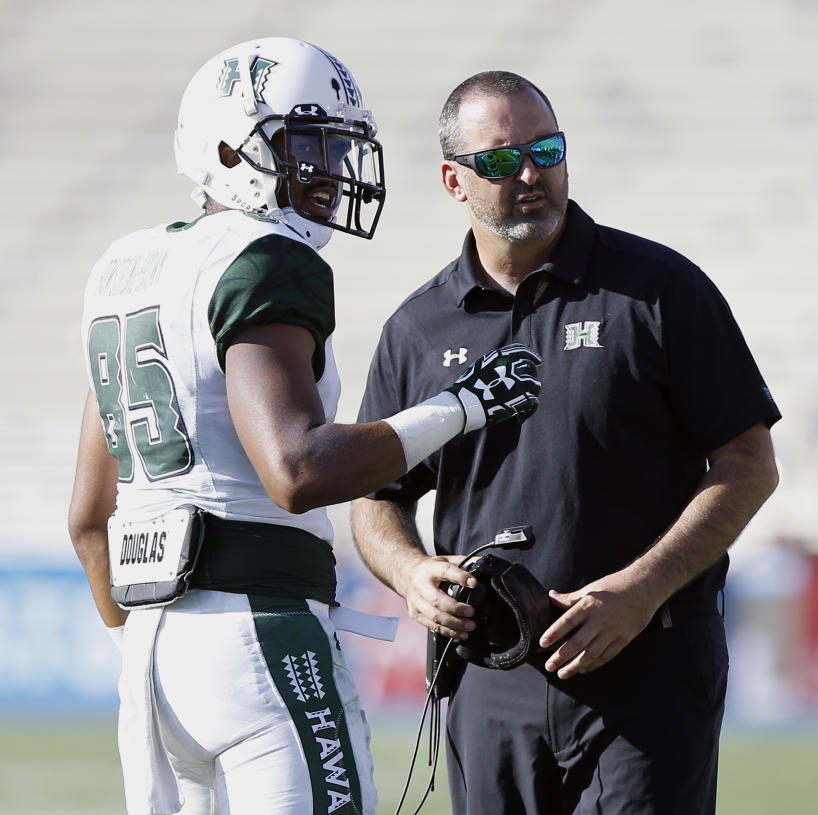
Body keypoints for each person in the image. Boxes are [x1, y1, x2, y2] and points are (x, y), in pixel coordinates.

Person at [67, 40, 542, 815]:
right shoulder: (262, 260)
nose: (328, 171)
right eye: (306, 146)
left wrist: (149, 648)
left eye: (337, 148)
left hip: (150, 658)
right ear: (230, 150)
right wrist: (464, 405)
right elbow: (298, 469)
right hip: (257, 630)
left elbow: (89, 521)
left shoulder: (124, 266)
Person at [351, 70, 782, 815]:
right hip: (487, 674)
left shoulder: (658, 290)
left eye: (546, 148)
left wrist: (641, 589)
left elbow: (749, 463)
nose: (530, 173)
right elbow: (375, 498)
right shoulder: (418, 328)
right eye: (499, 159)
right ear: (453, 181)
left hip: (644, 667)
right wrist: (411, 571)